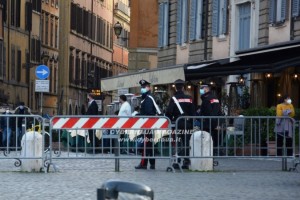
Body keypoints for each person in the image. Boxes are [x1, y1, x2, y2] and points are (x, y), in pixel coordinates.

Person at [166, 79, 195, 169]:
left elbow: (169, 112)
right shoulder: (189, 98)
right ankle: (186, 161)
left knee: (178, 142)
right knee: (186, 142)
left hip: (178, 123)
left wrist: (170, 121)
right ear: (183, 87)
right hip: (188, 123)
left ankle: (177, 161)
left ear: (175, 87)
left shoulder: (174, 99)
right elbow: (193, 112)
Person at [135, 79, 159, 170]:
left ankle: (144, 163)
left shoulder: (148, 98)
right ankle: (152, 164)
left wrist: (140, 115)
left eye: (144, 87)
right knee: (150, 145)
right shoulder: (146, 97)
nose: (142, 88)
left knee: (146, 145)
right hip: (149, 124)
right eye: (142, 87)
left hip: (149, 124)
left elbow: (149, 112)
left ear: (148, 87)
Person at [199, 83, 223, 153]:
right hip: (215, 122)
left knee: (207, 140)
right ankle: (215, 152)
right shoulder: (215, 98)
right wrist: (218, 123)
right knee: (215, 139)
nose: (200, 90)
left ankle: (209, 153)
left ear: (206, 89)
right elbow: (219, 112)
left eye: (201, 88)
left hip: (208, 124)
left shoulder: (206, 100)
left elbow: (208, 112)